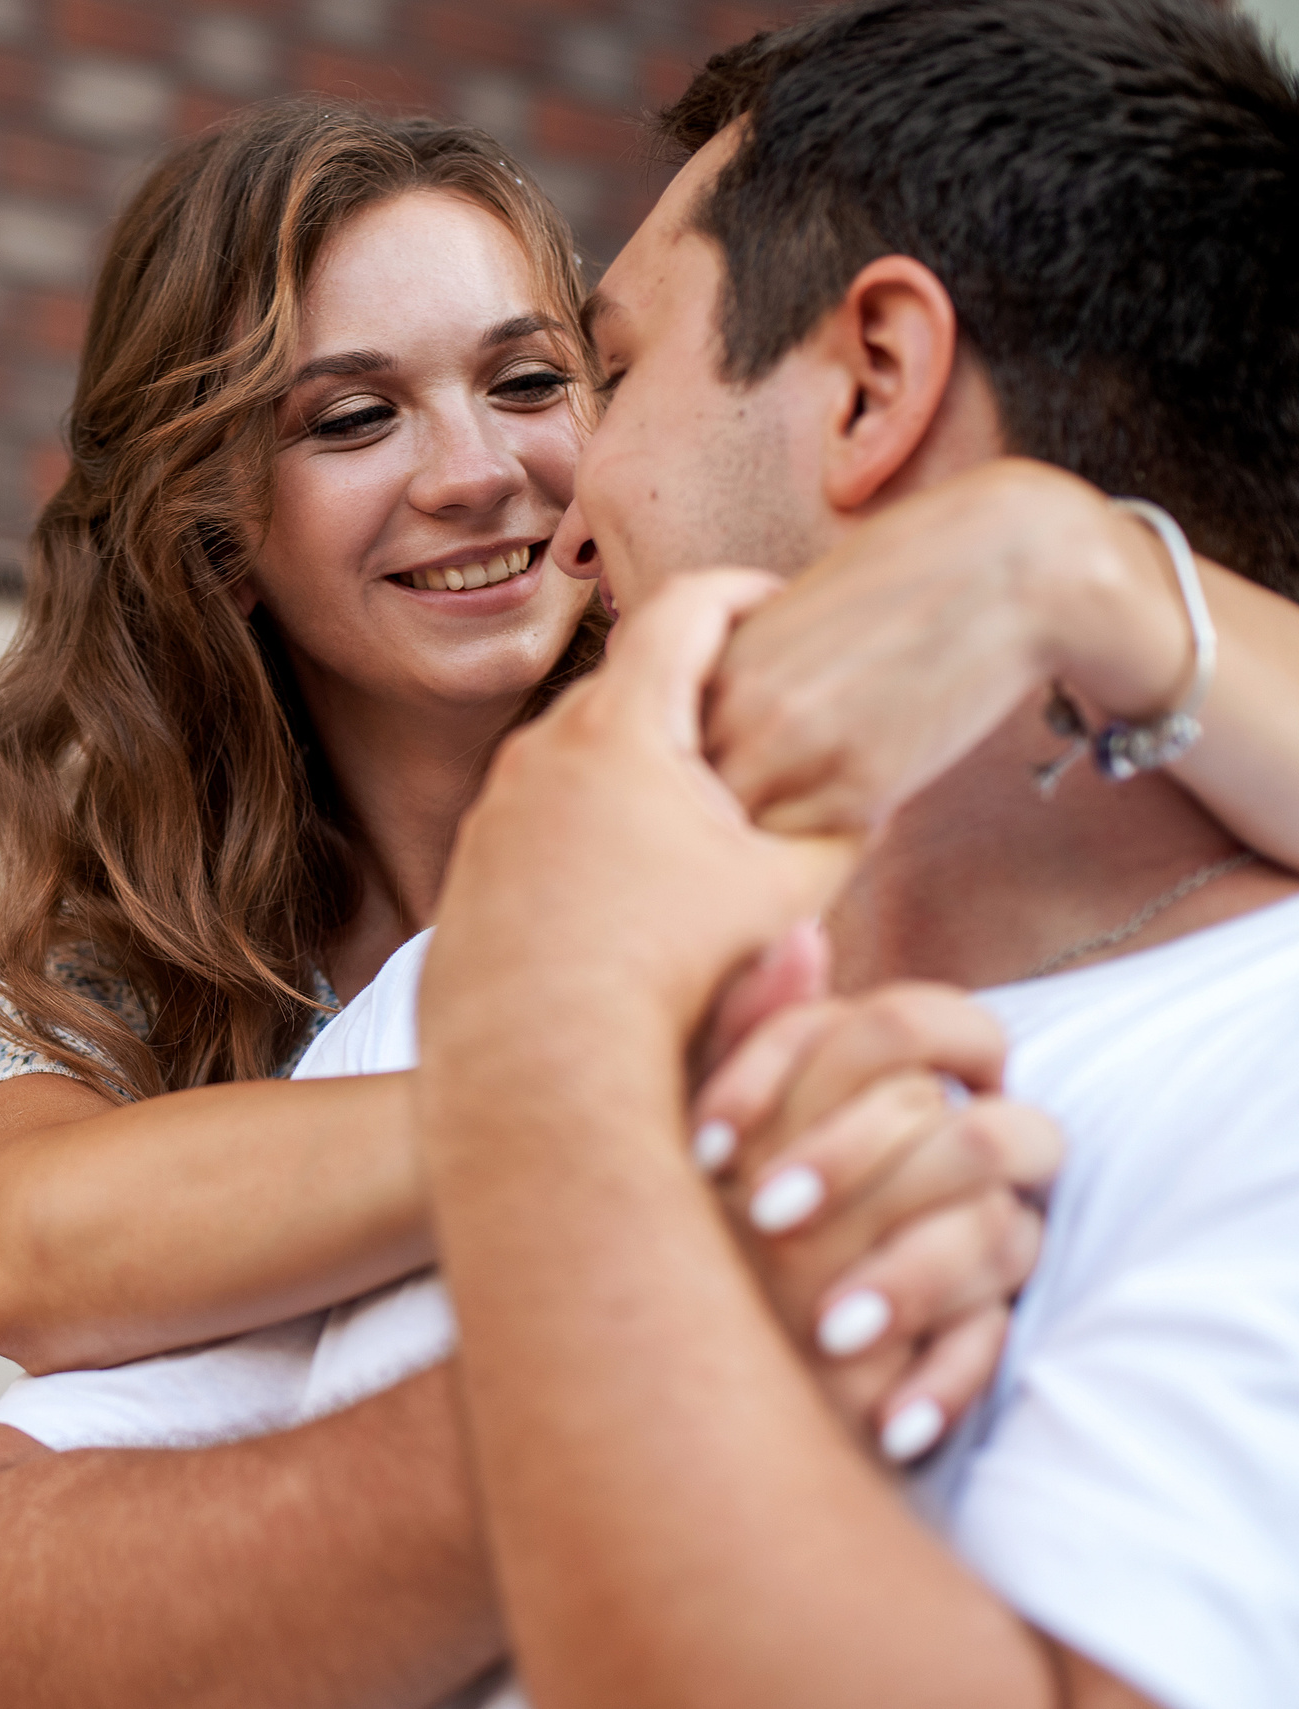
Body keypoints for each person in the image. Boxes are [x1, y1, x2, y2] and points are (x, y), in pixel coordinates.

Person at [0, 49, 1299, 1707]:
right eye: (351, 415)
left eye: (558, 378)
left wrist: (1079, 571)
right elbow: (17, 1273)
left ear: (876, 382)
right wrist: (603, 1107)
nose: (489, 475)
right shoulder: (264, 953)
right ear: (215, 532)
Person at [359, 2, 1299, 1704]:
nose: (537, 511)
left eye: (597, 375)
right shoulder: (510, 944)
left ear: (876, 382)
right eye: (345, 418)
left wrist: (550, 1056)